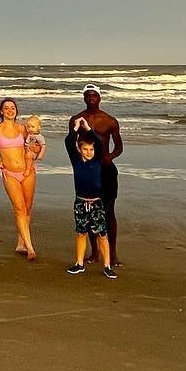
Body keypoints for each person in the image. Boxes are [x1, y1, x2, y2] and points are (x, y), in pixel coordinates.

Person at [0, 97, 40, 260]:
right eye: (6, 108)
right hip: (10, 174)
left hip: (28, 172)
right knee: (19, 208)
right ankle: (30, 247)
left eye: (12, 108)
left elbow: (35, 142)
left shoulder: (22, 128)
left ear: (16, 111)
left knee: (27, 207)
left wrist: (35, 151)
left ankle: (21, 243)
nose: (10, 110)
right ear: (1, 111)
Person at [71, 83, 122, 263]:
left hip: (106, 170)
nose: (91, 99)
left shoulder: (109, 120)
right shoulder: (77, 119)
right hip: (88, 171)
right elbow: (73, 144)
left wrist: (109, 158)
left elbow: (119, 147)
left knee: (108, 211)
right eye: (88, 96)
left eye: (94, 96)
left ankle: (112, 253)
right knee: (89, 210)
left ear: (99, 98)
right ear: (84, 98)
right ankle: (94, 252)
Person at [63, 125, 117, 278]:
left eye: (91, 150)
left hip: (96, 203)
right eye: (85, 149)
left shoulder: (97, 160)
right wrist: (74, 128)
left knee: (102, 234)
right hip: (80, 203)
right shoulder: (76, 161)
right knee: (81, 233)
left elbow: (99, 142)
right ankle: (79, 264)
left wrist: (88, 128)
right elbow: (68, 142)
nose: (89, 152)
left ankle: (107, 265)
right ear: (79, 149)